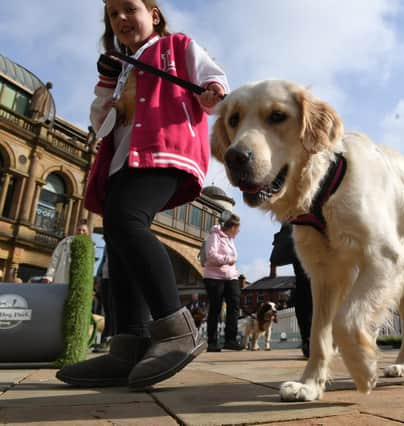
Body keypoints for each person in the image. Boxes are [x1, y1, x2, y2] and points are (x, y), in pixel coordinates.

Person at [56, 0, 229, 390]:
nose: (120, 19)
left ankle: (175, 328)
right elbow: (100, 123)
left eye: (128, 9)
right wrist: (105, 86)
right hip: (123, 160)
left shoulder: (177, 45)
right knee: (117, 240)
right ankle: (126, 347)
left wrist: (214, 90)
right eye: (112, 14)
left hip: (166, 149)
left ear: (153, 14)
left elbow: (215, 78)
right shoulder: (122, 68)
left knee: (125, 221)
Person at [269, 223, 312, 358]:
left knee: (305, 290)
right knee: (307, 290)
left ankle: (309, 340)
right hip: (306, 245)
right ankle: (309, 340)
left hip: (305, 244)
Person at [203, 214, 243, 352]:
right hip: (214, 278)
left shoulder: (231, 239)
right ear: (232, 227)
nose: (238, 232)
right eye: (238, 229)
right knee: (215, 308)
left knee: (234, 306)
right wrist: (227, 259)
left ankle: (230, 340)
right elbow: (211, 255)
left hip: (231, 278)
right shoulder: (215, 235)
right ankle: (212, 342)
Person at [44, 220, 90, 284]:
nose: (81, 232)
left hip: (77, 281)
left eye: (84, 230)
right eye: (79, 230)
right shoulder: (65, 242)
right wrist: (49, 276)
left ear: (88, 233)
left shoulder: (90, 247)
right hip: (62, 277)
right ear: (76, 230)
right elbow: (55, 259)